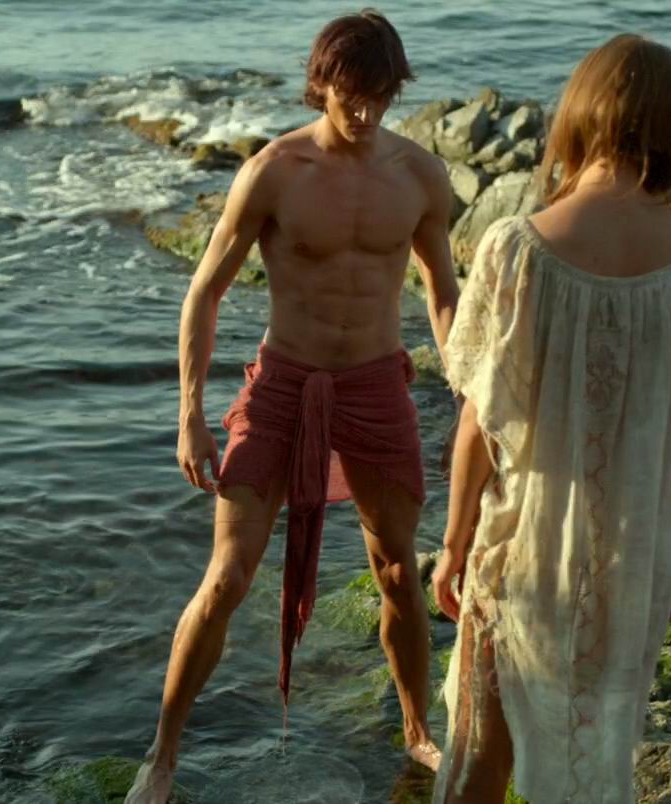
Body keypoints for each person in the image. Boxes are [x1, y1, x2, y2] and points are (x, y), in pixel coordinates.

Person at [126, 9, 461, 803]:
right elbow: (204, 291)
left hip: (376, 386)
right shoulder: (274, 171)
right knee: (227, 577)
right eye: (351, 95)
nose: (365, 112)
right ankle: (162, 755)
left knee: (397, 572)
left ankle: (417, 733)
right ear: (322, 84)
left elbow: (443, 292)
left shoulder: (420, 176)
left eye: (380, 95)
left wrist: (467, 381)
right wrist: (190, 412)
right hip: (282, 385)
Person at [427, 33, 671, 803]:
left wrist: (453, 543)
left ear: (580, 116)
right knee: (595, 756)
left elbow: (480, 422)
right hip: (630, 562)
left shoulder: (515, 249)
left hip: (521, 552)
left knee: (479, 757)